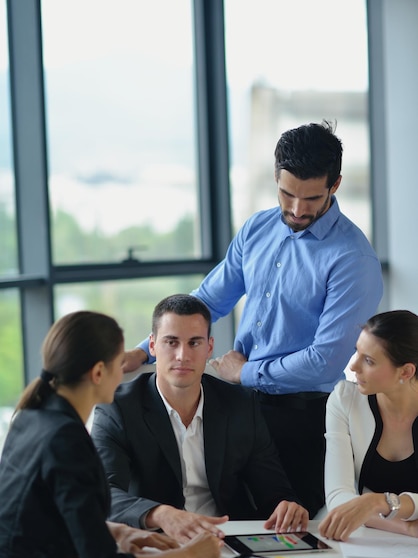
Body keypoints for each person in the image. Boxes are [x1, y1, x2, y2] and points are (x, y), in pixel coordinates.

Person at [122, 121, 383, 517]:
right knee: (232, 520)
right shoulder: (258, 228)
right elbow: (209, 298)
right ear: (275, 177)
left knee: (290, 530)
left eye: (311, 198)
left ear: (335, 184)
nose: (297, 210)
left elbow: (325, 360)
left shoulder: (352, 259)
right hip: (238, 409)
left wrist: (242, 373)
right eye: (287, 193)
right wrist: (144, 353)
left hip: (301, 418)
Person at [0, 311, 221, 558]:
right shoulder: (67, 440)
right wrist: (190, 556)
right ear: (99, 372)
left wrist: (120, 532)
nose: (125, 375)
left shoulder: (32, 416)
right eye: (120, 364)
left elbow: (44, 515)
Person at [91, 294, 308, 544]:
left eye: (194, 343)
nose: (182, 355)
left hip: (229, 538)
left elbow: (274, 491)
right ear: (152, 346)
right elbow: (103, 493)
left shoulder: (241, 404)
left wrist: (287, 507)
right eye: (171, 342)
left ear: (209, 347)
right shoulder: (117, 408)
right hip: (157, 541)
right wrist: (159, 514)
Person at [318, 310, 418, 542]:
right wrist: (407, 528)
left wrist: (376, 502)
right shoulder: (344, 399)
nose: (353, 366)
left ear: (406, 371)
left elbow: (356, 508)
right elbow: (337, 497)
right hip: (366, 540)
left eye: (369, 360)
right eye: (357, 352)